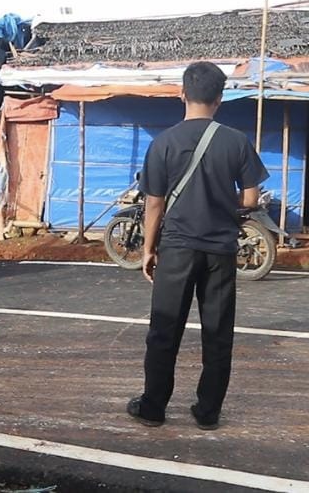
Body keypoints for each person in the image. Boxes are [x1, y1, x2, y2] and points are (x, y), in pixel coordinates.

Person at [127, 61, 269, 430]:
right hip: (220, 250)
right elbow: (251, 199)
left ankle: (154, 408)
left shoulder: (164, 143)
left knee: (164, 330)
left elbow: (154, 203)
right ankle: (208, 412)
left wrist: (148, 250)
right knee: (218, 333)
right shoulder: (236, 141)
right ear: (220, 98)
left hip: (176, 249)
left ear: (182, 94)